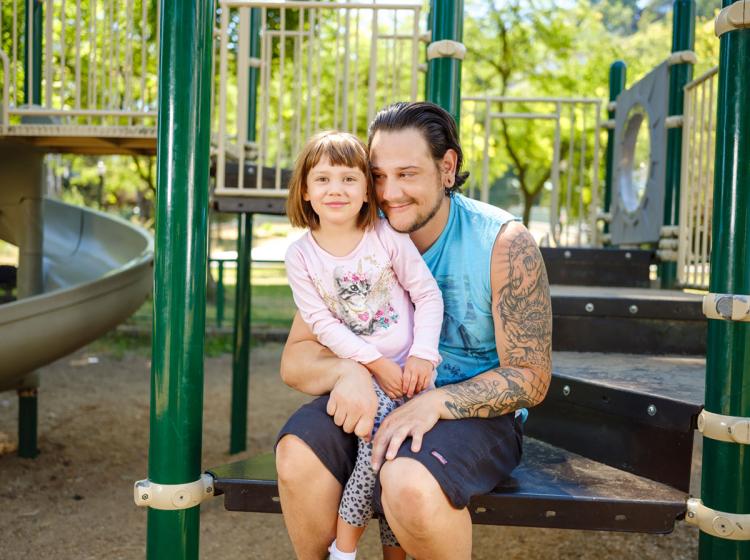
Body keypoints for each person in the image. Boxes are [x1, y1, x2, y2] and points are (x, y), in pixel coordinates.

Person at [276, 102, 553, 560]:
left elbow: (532, 376)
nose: (390, 192)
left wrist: (435, 402)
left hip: (473, 415)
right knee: (297, 455)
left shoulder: (501, 242)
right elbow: (296, 360)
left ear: (447, 168)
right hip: (379, 392)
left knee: (407, 485)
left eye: (407, 174)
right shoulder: (353, 240)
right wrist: (349, 372)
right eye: (379, 175)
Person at [283, 130, 444, 560]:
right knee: (374, 458)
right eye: (323, 180)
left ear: (366, 188)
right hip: (368, 376)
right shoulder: (301, 256)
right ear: (305, 190)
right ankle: (344, 550)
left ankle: (392, 555)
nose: (336, 189)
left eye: (349, 179)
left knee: (396, 464)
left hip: (411, 374)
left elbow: (427, 294)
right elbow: (319, 322)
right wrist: (373, 364)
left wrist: (422, 355)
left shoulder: (385, 234)